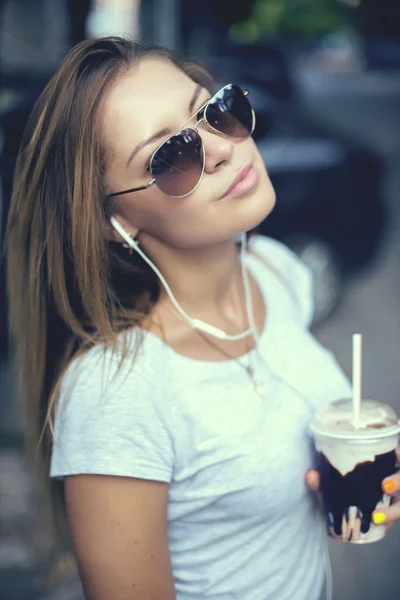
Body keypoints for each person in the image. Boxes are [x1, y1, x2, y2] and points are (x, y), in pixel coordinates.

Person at [6, 36, 400, 600]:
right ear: (112, 222)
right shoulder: (115, 394)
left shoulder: (275, 272)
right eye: (168, 157)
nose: (218, 146)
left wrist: (361, 481)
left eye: (212, 110)